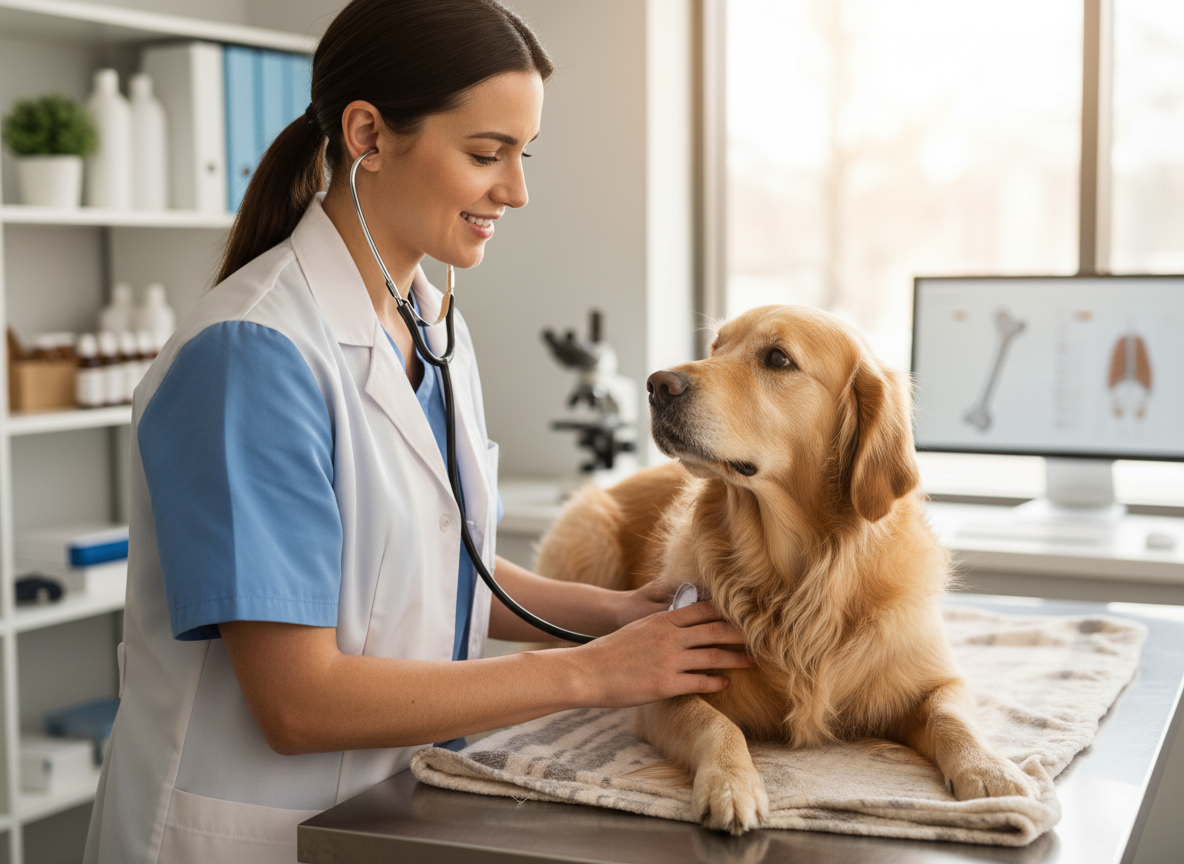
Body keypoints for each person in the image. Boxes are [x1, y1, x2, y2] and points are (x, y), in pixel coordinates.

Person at [84, 2, 752, 861]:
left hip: (386, 811)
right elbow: (298, 702)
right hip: (244, 835)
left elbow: (438, 558)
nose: (515, 190)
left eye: (522, 154)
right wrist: (591, 670)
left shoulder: (430, 323)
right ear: (368, 132)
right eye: (486, 153)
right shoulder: (250, 358)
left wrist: (615, 614)